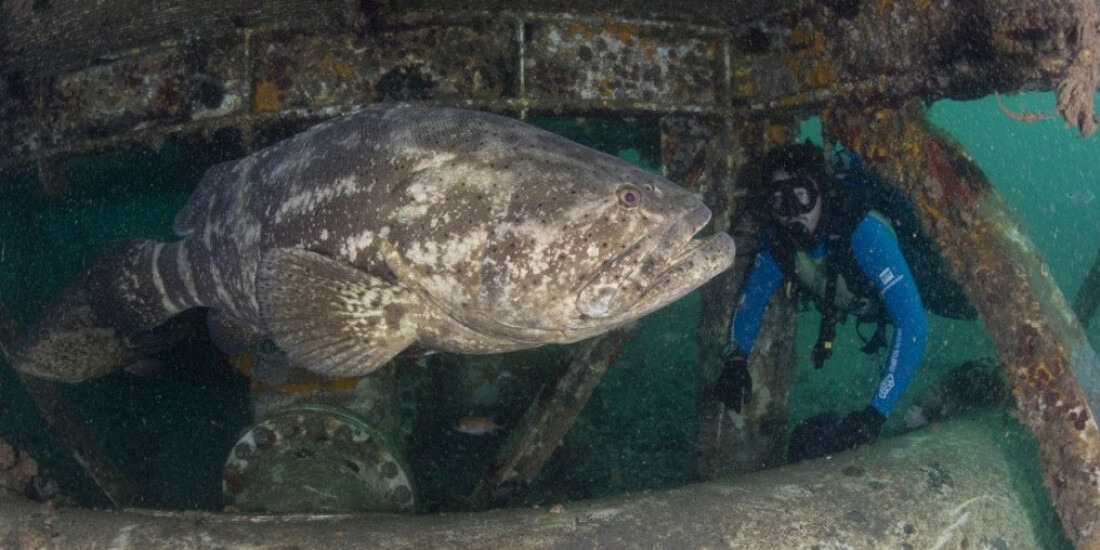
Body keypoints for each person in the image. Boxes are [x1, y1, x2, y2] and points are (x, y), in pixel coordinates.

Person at [712, 142, 930, 462]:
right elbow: (752, 300)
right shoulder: (779, 244)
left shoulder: (864, 233)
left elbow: (913, 325)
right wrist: (735, 358)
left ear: (822, 193)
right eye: (778, 200)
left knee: (958, 301)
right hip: (860, 302)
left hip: (919, 287)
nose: (791, 213)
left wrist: (875, 414)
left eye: (800, 196)